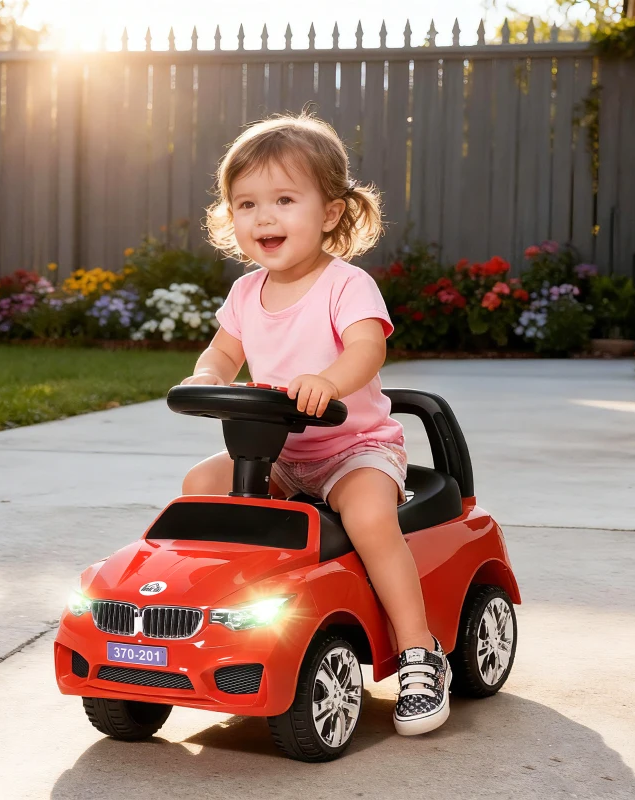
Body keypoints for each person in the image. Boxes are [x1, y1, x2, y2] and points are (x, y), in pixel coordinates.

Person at [180, 113, 451, 736]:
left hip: (352, 450)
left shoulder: (345, 285)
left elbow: (366, 350)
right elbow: (222, 353)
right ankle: (226, 619)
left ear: (329, 213)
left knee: (370, 518)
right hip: (277, 454)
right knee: (199, 486)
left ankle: (418, 652)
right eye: (246, 204)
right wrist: (207, 376)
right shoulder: (247, 294)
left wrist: (328, 381)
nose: (263, 218)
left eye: (282, 200)